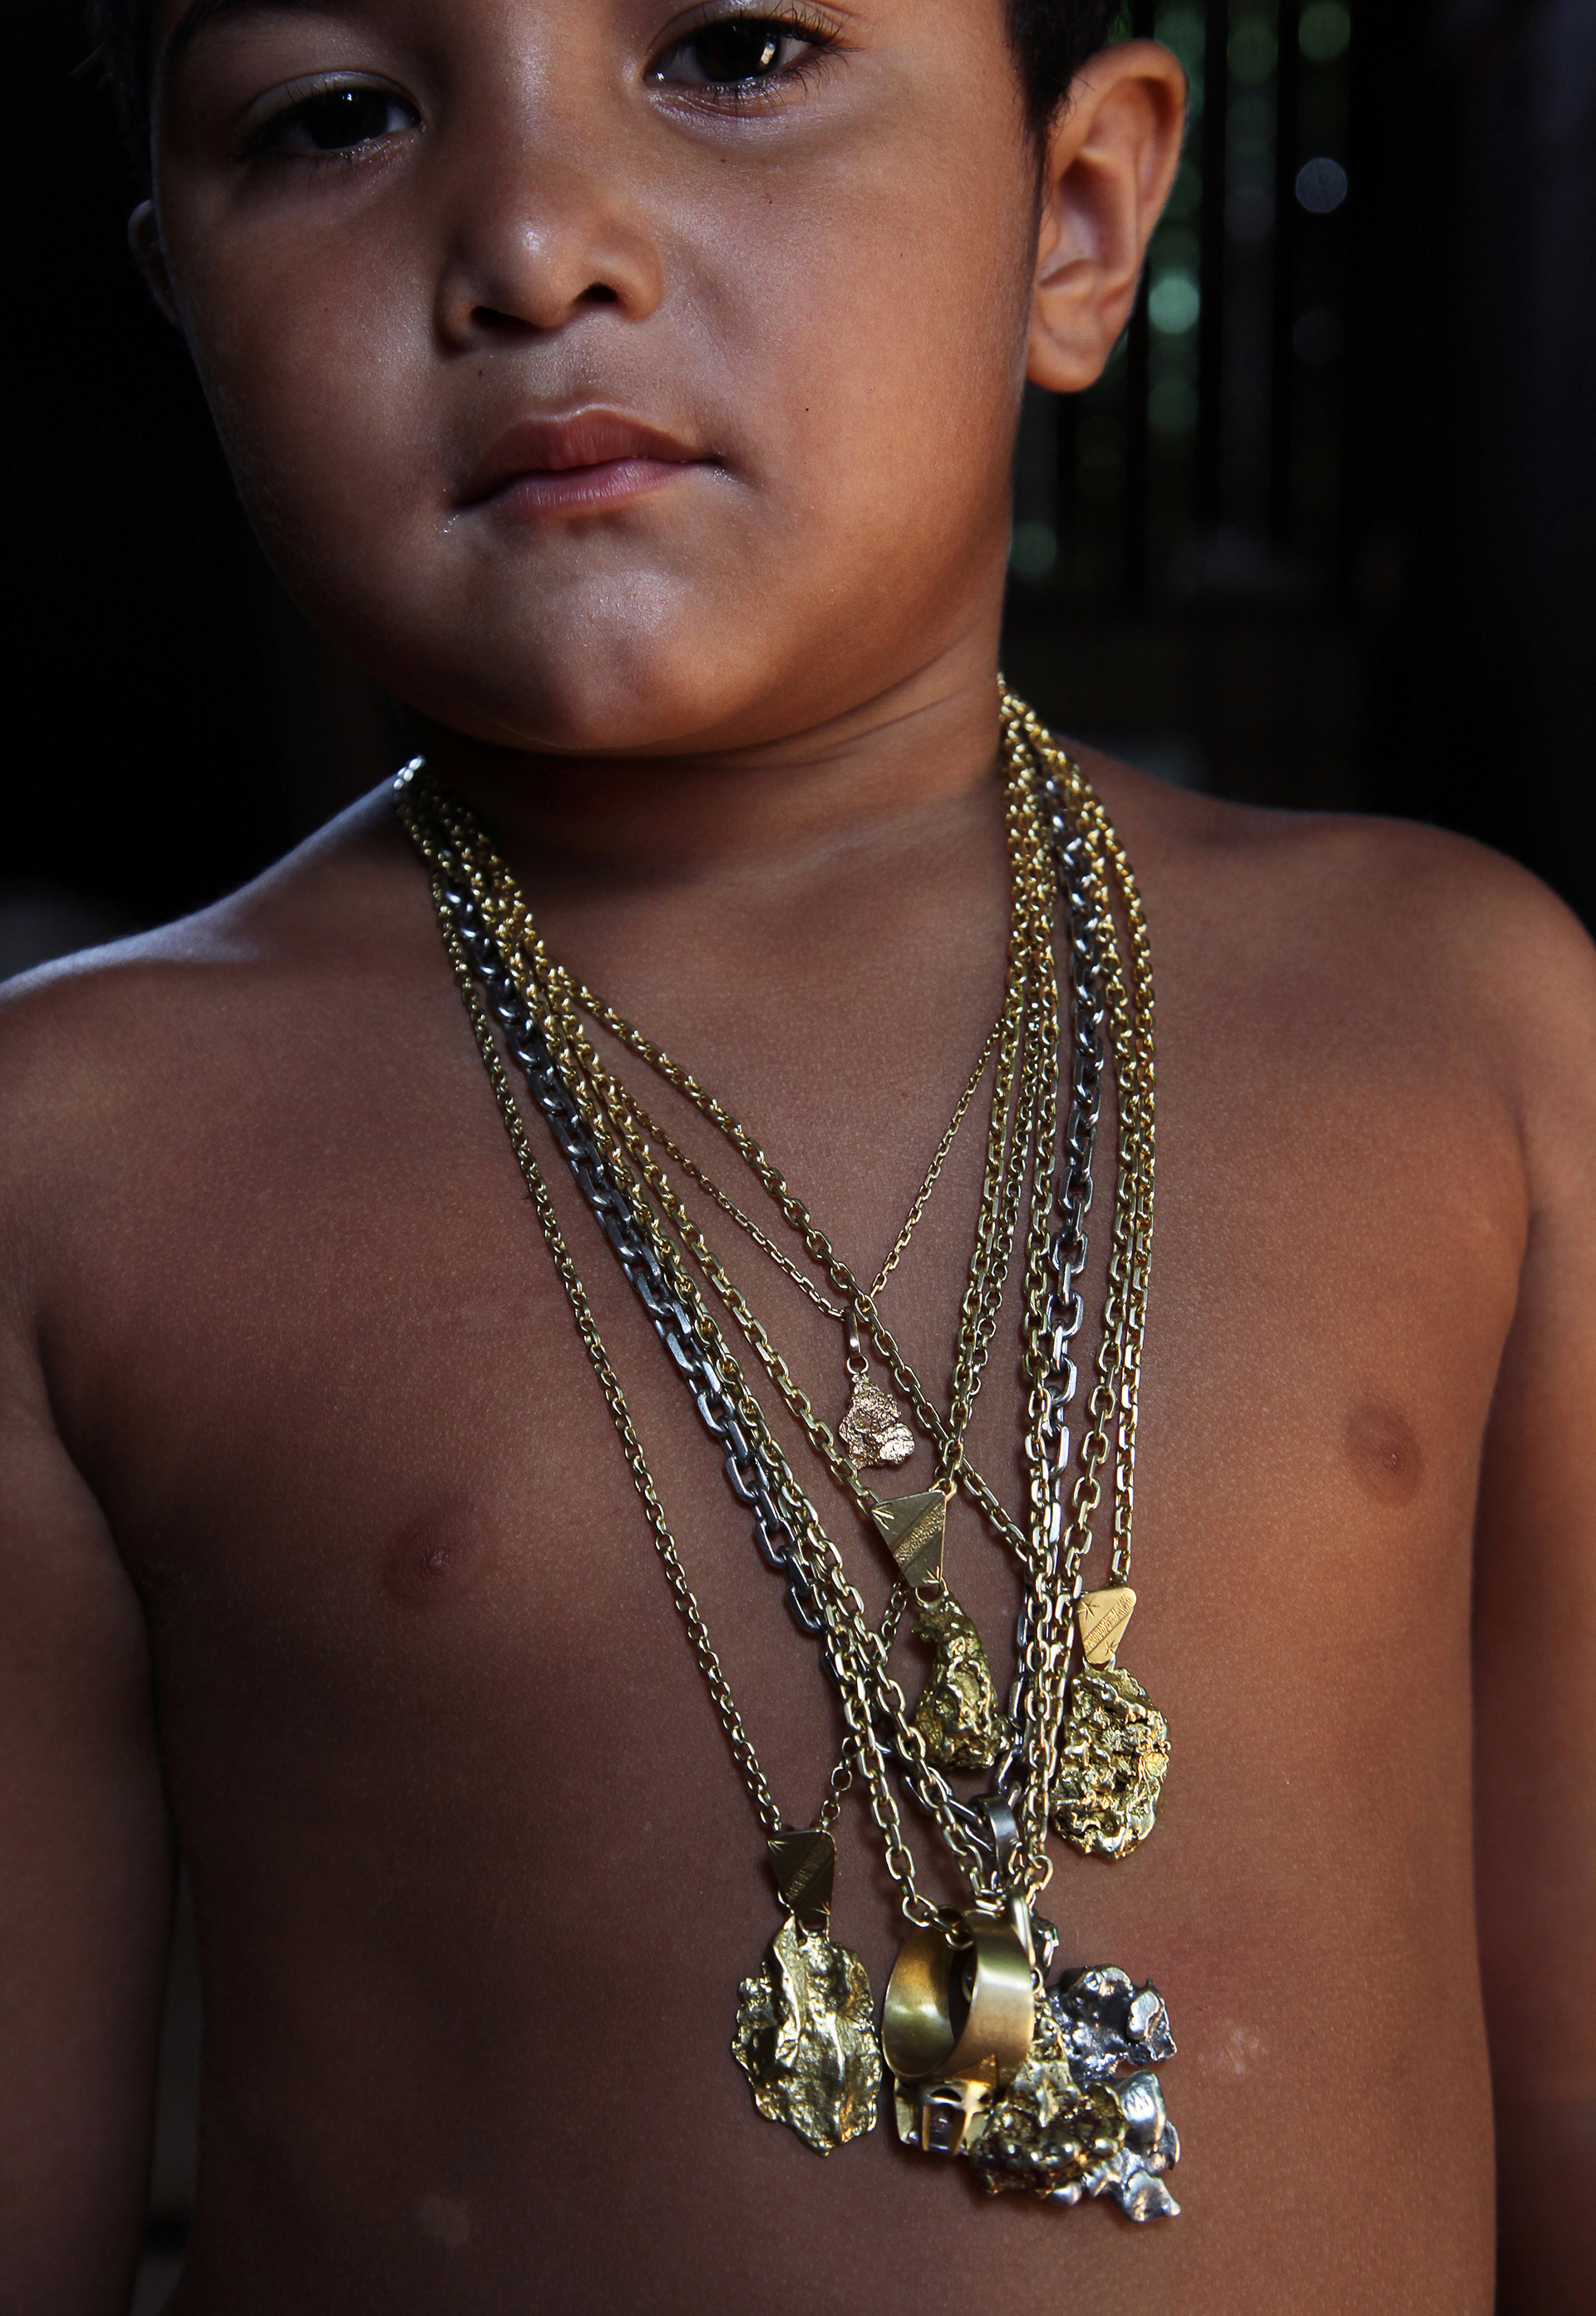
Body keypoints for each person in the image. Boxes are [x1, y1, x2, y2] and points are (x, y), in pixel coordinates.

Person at [2, 2, 1591, 2309]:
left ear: (1073, 219)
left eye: (735, 51)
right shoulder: (83, 1163)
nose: (537, 243)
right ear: (186, 298)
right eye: (336, 115)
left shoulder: (1467, 1026)